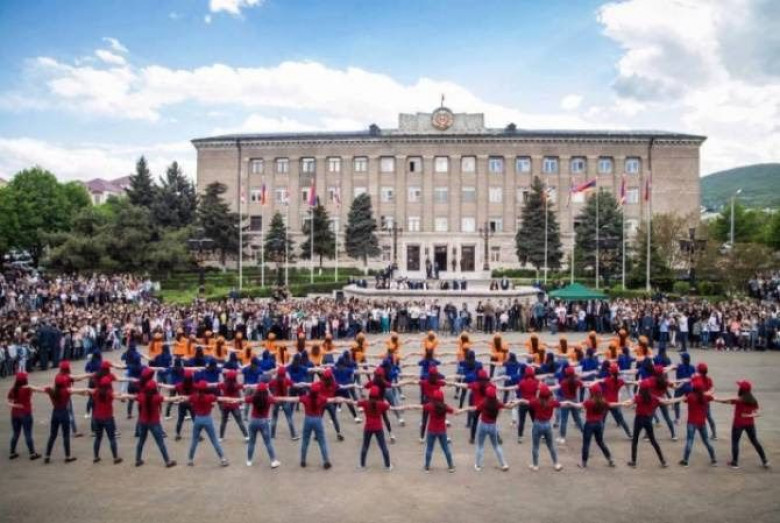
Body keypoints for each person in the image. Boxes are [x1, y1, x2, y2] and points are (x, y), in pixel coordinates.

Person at [279, 381, 344, 469]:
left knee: (305, 441)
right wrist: (342, 399)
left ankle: (303, 460)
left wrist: (278, 398)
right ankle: (326, 461)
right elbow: (332, 400)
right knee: (322, 441)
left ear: (310, 391)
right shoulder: (321, 398)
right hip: (317, 420)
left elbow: (292, 399)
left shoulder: (305, 398)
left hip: (308, 420)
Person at [404, 389, 464, 473]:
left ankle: (427, 467)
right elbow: (456, 412)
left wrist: (409, 406)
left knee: (429, 448)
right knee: (446, 448)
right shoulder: (445, 407)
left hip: (431, 430)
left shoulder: (430, 406)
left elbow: (419, 407)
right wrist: (466, 409)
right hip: (442, 430)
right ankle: (451, 466)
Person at [714, 380, 769, 469]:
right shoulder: (753, 400)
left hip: (738, 424)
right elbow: (758, 413)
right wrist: (749, 415)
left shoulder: (739, 400)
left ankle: (735, 462)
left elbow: (725, 401)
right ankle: (765, 460)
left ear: (742, 390)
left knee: (735, 442)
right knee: (755, 441)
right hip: (750, 424)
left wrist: (715, 399)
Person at [121, 380, 177, 468]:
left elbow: (132, 396)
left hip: (143, 422)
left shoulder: (142, 396)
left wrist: (122, 395)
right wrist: (180, 397)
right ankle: (167, 461)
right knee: (160, 442)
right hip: (154, 423)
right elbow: (168, 399)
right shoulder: (156, 397)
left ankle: (138, 460)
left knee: (141, 441)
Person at [564, 384, 616, 468]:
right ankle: (610, 459)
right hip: (599, 424)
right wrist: (622, 403)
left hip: (589, 424)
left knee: (586, 443)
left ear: (592, 392)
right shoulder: (603, 401)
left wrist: (570, 403)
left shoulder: (589, 402)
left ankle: (583, 463)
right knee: (600, 442)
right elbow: (611, 404)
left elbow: (579, 405)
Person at [625, 380, 673, 468]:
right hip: (647, 420)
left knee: (635, 440)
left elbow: (629, 403)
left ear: (641, 389)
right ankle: (663, 461)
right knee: (653, 441)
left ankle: (633, 461)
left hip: (639, 419)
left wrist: (623, 403)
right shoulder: (653, 397)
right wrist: (679, 399)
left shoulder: (638, 397)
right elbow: (666, 402)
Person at [673, 379, 717, 467]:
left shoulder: (690, 396)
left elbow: (682, 399)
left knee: (690, 441)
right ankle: (713, 459)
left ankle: (685, 461)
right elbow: (713, 396)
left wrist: (668, 400)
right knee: (706, 441)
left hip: (691, 422)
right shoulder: (705, 397)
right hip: (702, 423)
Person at [187, 380, 229, 467]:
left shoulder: (194, 397)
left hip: (197, 419)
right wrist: (233, 400)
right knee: (214, 440)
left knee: (194, 440)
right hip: (207, 419)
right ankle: (223, 459)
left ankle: (190, 459)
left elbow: (187, 399)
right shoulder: (210, 397)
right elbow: (220, 399)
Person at [469, 386, 513, 471]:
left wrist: (465, 409)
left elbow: (476, 409)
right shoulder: (497, 403)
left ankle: (478, 465)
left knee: (480, 445)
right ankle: (503, 464)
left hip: (483, 425)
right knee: (496, 446)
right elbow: (508, 406)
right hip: (493, 426)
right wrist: (513, 403)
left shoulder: (484, 402)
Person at [523, 384, 563, 471]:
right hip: (547, 425)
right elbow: (562, 404)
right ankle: (556, 463)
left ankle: (535, 465)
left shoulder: (535, 401)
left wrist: (517, 402)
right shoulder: (552, 402)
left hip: (537, 424)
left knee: (535, 446)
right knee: (551, 445)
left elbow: (526, 402)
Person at [243, 383, 280, 468]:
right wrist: (268, 391)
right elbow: (276, 400)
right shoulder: (269, 399)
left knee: (251, 442)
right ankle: (273, 461)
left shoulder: (253, 398)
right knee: (268, 442)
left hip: (253, 421)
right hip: (264, 422)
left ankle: (249, 461)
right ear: (266, 391)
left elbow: (245, 399)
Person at [6, 372, 41, 460]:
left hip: (15, 414)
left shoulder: (13, 389)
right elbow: (39, 389)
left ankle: (12, 452)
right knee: (28, 434)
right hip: (26, 413)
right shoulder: (28, 388)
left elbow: (9, 403)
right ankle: (32, 453)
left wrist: (16, 405)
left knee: (15, 434)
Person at [89, 376, 123, 464]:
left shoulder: (96, 391)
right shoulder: (109, 393)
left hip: (97, 418)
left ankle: (96, 456)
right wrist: (121, 395)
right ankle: (115, 457)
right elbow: (118, 397)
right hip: (108, 418)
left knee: (98, 438)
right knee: (112, 438)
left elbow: (90, 393)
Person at [217, 370, 248, 441]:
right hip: (234, 405)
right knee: (240, 422)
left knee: (223, 422)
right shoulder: (236, 385)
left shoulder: (223, 385)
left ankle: (221, 437)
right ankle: (246, 436)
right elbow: (243, 386)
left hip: (225, 405)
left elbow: (217, 386)